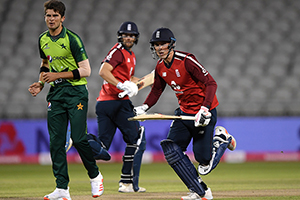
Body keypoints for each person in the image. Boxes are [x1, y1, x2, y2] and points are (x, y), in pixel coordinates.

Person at [134, 27, 237, 200]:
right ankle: (200, 191)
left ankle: (222, 138)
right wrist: (144, 107)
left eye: (163, 44)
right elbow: (157, 90)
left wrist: (204, 109)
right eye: (156, 44)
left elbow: (211, 83)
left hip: (205, 113)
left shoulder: (187, 60)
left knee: (204, 162)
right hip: (183, 114)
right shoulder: (160, 66)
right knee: (171, 149)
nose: (159, 48)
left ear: (171, 44)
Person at [28, 1, 103, 199]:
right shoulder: (42, 39)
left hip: (76, 93)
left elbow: (87, 70)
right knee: (56, 143)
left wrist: (58, 76)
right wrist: (41, 83)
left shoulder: (72, 40)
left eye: (54, 15)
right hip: (56, 94)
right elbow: (45, 63)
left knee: (78, 139)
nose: (50, 19)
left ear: (62, 18)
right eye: (47, 15)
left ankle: (95, 176)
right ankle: (62, 188)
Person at [94, 21, 146, 193]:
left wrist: (142, 82)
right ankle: (126, 183)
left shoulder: (130, 55)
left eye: (131, 36)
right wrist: (121, 85)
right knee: (136, 138)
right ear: (120, 36)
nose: (128, 38)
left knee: (102, 148)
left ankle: (80, 140)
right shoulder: (118, 51)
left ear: (136, 38)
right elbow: (103, 71)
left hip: (104, 104)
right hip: (117, 102)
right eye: (125, 35)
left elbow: (128, 78)